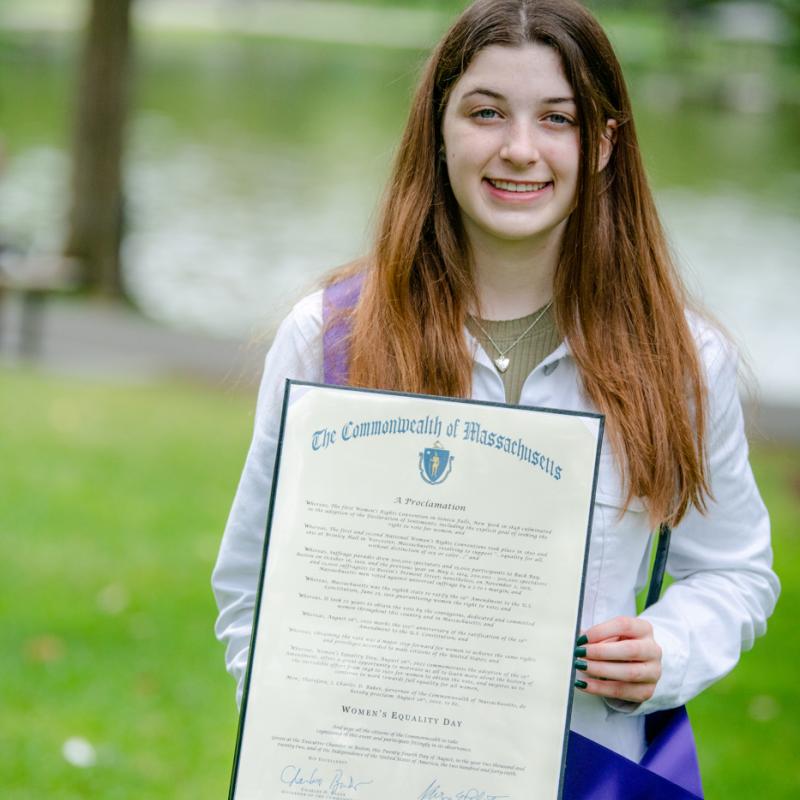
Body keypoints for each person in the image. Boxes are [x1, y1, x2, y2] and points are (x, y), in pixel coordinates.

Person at [212, 0, 779, 766]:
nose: (520, 149)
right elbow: (254, 584)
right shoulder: (328, 338)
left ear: (605, 143)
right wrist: (299, 741)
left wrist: (669, 650)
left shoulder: (680, 359)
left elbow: (735, 572)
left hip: (587, 769)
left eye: (557, 119)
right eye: (486, 113)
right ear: (438, 128)